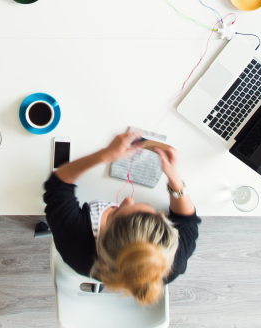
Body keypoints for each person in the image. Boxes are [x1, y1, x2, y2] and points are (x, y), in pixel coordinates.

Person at [43, 130, 200, 306]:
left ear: (103, 236)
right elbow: (188, 221)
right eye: (157, 214)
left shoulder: (75, 244)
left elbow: (58, 185)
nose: (128, 199)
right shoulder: (171, 261)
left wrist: (103, 156)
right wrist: (174, 178)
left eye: (116, 213)